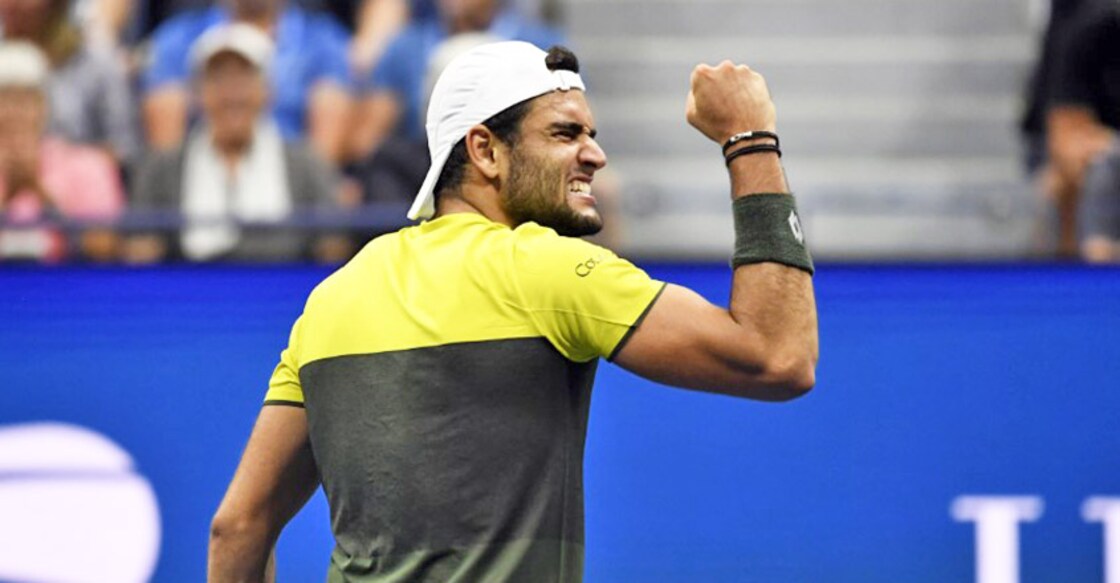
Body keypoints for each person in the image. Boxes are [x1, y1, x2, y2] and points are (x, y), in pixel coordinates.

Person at [208, 42, 818, 581]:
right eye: (565, 133)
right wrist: (749, 139)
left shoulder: (332, 298)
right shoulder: (546, 271)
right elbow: (778, 355)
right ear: (485, 151)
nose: (595, 155)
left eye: (592, 134)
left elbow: (238, 527)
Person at [124, 24, 351, 263]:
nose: (232, 93)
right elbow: (140, 250)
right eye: (219, 79)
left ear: (268, 90)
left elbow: (333, 247)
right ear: (198, 93)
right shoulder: (163, 169)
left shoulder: (306, 164)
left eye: (244, 77)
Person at [346, 0, 563, 162]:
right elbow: (367, 141)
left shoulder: (540, 44)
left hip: (517, 159)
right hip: (424, 165)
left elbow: (563, 123)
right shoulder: (406, 46)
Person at [142, 0, 353, 165]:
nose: (235, 93)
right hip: (201, 175)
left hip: (291, 183)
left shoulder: (325, 39)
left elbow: (330, 134)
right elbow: (165, 132)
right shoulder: (176, 38)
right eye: (222, 76)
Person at [0, 41, 125, 262]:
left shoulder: (88, 165)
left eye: (24, 100)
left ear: (44, 105)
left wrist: (42, 194)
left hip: (66, 288)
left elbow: (106, 248)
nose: (13, 113)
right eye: (4, 100)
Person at [0, 0, 140, 167]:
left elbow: (124, 150)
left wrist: (62, 166)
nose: (13, 3)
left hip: (80, 186)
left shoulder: (96, 62)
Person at [1046, 0, 1119, 259]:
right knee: (1105, 166)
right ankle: (1095, 262)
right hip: (1107, 159)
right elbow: (1065, 133)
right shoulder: (1094, 33)